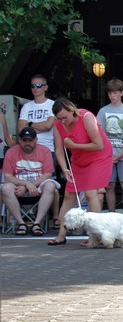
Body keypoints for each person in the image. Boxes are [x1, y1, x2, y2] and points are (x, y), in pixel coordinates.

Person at [48, 98, 113, 245]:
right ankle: (61, 235)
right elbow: (59, 150)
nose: (63, 121)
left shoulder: (86, 117)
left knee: (90, 193)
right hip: (78, 160)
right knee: (68, 195)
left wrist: (74, 145)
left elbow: (99, 145)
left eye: (65, 117)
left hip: (99, 157)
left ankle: (94, 235)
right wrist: (65, 168)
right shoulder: (58, 125)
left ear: (72, 111)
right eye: (59, 118)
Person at [1, 127, 60, 236]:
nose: (27, 143)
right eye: (24, 140)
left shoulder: (45, 151)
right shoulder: (11, 152)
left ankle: (36, 224)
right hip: (18, 188)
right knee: (6, 188)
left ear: (36, 140)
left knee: (50, 185)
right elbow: (8, 177)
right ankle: (21, 223)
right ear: (19, 140)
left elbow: (47, 174)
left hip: (38, 187)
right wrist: (26, 184)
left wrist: (31, 185)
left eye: (30, 140)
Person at [17, 74, 59, 223]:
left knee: (51, 183)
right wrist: (36, 126)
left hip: (47, 149)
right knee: (28, 180)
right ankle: (33, 215)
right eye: (33, 86)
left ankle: (55, 217)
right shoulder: (27, 106)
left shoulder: (52, 105)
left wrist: (29, 125)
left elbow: (48, 126)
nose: (35, 88)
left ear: (45, 87)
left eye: (38, 85)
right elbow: (20, 129)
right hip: (27, 150)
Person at [97, 78, 123, 224]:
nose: (113, 96)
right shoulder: (103, 111)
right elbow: (99, 133)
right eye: (110, 93)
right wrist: (107, 153)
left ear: (121, 93)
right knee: (109, 185)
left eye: (115, 92)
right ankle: (111, 216)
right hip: (107, 154)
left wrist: (120, 154)